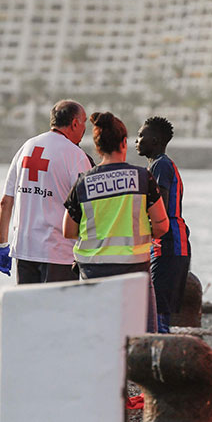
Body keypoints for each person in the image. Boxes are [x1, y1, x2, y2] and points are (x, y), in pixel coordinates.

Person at [62, 112, 169, 331]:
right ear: (123, 143)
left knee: (95, 333)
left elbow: (68, 230)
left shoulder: (83, 182)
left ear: (97, 147)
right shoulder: (142, 177)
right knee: (138, 334)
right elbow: (162, 226)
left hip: (92, 271)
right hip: (134, 270)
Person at [0, 100, 92, 284]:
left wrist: (2, 245)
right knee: (57, 310)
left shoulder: (26, 147)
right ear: (74, 123)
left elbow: (5, 201)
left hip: (24, 249)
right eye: (84, 122)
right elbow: (89, 207)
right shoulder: (75, 155)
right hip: (59, 253)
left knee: (29, 309)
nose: (84, 128)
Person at [135, 116, 191, 334]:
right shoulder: (156, 165)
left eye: (141, 136)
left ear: (156, 140)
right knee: (157, 303)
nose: (136, 141)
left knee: (159, 305)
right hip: (163, 242)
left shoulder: (161, 165)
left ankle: (160, 352)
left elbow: (161, 205)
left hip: (170, 243)